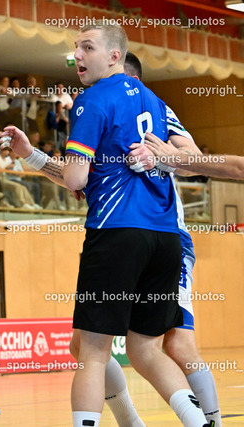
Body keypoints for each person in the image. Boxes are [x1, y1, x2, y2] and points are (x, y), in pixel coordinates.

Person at [57, 24, 208, 427]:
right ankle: (200, 423)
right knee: (147, 350)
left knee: (91, 352)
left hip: (117, 232)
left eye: (87, 47)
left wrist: (66, 168)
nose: (78, 55)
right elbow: (191, 158)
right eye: (76, 48)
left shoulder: (92, 99)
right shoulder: (156, 101)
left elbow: (74, 178)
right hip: (166, 238)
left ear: (114, 56)